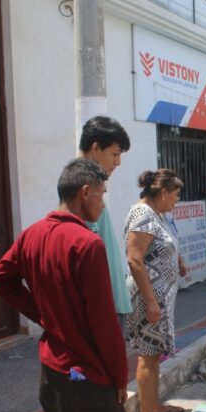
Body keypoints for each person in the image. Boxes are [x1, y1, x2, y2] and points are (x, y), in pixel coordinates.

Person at [0, 159, 137, 412]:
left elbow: (0, 279)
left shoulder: (32, 235)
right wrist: (119, 376)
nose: (102, 203)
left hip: (51, 376)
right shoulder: (86, 244)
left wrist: (41, 314)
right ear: (84, 192)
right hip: (88, 378)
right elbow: (104, 325)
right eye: (101, 194)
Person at [124, 169, 186, 412]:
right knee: (147, 356)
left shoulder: (157, 214)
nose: (177, 200)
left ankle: (155, 406)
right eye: (176, 195)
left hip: (160, 297)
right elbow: (135, 260)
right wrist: (150, 301)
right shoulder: (142, 215)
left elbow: (162, 246)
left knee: (155, 354)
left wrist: (178, 262)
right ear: (163, 193)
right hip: (147, 297)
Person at [79, 116, 132, 329]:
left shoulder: (93, 185)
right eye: (115, 154)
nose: (118, 162)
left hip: (111, 302)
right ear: (95, 148)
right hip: (103, 308)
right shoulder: (84, 189)